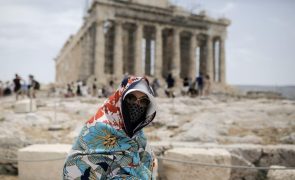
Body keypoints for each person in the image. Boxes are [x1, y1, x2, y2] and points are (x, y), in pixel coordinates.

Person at [63, 76, 157, 179]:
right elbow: (74, 170)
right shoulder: (96, 128)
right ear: (120, 99)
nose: (137, 105)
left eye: (143, 101)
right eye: (131, 98)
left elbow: (148, 164)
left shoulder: (138, 135)